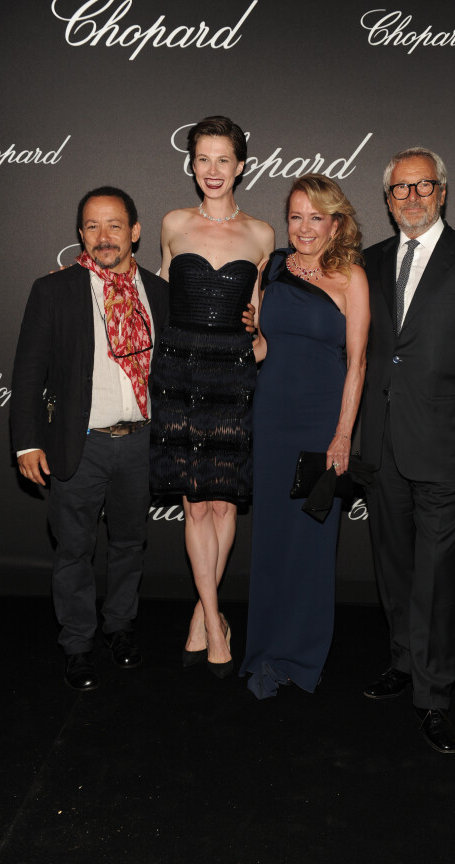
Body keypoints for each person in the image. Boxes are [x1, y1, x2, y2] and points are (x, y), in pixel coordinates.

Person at [361, 147, 455, 753]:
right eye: (401, 189)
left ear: (443, 192)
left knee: (434, 574)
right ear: (388, 198)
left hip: (448, 446)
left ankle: (435, 693)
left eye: (424, 186)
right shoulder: (366, 262)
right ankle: (403, 661)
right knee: (394, 566)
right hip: (380, 441)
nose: (413, 198)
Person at [10, 187, 169, 691]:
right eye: (93, 226)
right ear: (81, 234)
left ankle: (118, 628)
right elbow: (29, 372)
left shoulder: (160, 293)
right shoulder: (54, 290)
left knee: (129, 543)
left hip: (143, 443)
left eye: (115, 225)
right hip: (81, 444)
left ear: (135, 231)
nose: (104, 237)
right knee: (74, 549)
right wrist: (26, 442)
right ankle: (77, 643)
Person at [150, 115, 274, 678]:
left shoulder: (262, 234)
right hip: (180, 374)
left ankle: (206, 613)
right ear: (191, 165)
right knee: (196, 503)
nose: (213, 170)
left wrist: (259, 336)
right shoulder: (173, 224)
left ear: (241, 166)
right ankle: (217, 623)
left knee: (225, 502)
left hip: (232, 373)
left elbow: (259, 317)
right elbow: (158, 295)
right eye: (203, 158)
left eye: (224, 159)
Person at [240, 174, 370, 699]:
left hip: (321, 422)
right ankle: (265, 647)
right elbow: (264, 347)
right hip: (270, 417)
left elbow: (358, 365)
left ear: (336, 223)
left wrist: (342, 436)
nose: (305, 227)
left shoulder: (351, 278)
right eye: (296, 216)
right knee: (270, 539)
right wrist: (238, 341)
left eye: (317, 217)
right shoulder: (270, 267)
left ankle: (300, 655)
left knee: (311, 542)